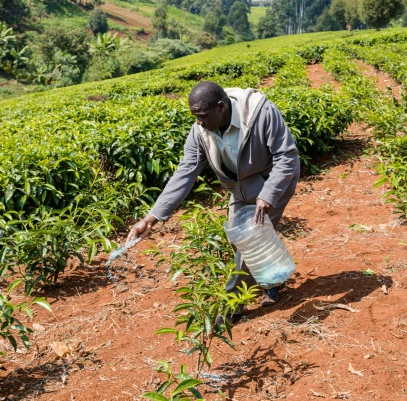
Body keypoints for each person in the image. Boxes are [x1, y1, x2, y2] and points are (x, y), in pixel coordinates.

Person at [126, 81, 300, 308]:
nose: (198, 121)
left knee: (249, 239)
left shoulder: (261, 112)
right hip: (240, 185)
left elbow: (286, 156)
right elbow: (185, 172)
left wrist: (268, 194)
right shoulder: (200, 130)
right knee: (238, 237)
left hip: (273, 179)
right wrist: (153, 217)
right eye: (195, 116)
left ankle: (232, 305)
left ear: (221, 107)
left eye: (202, 115)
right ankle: (273, 278)